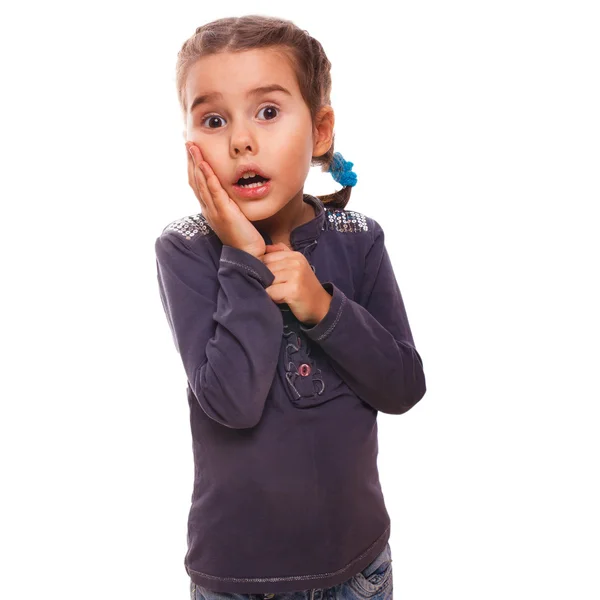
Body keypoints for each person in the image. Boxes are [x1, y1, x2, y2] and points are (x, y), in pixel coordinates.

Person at [154, 14, 427, 599]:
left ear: (321, 130)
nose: (241, 140)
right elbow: (231, 403)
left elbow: (403, 387)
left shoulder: (358, 238)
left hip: (357, 569)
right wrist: (245, 255)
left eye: (268, 111)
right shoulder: (184, 250)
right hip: (239, 578)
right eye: (213, 119)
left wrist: (324, 306)